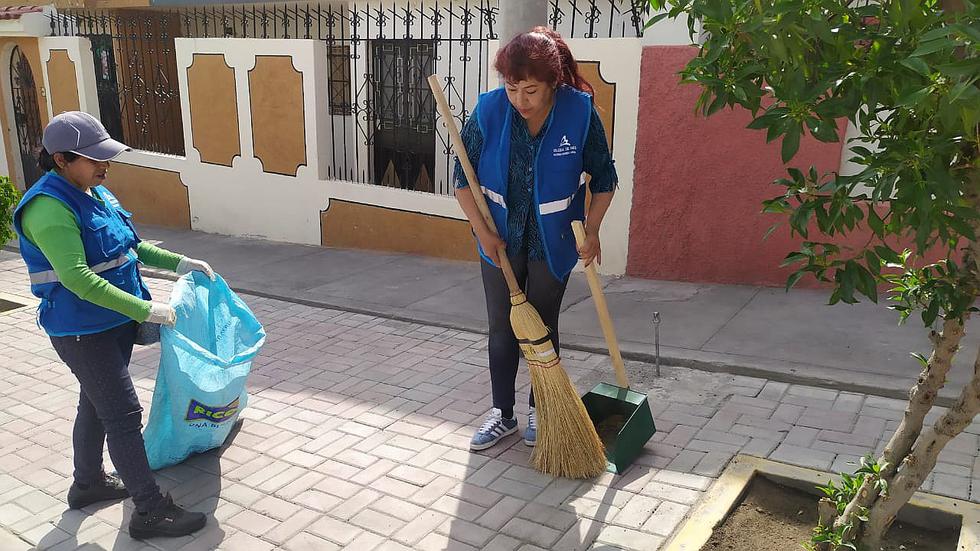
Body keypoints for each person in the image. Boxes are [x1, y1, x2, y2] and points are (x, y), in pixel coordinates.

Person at [12, 111, 213, 539]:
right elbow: (78, 278)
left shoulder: (95, 192)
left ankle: (87, 484)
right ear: (62, 159)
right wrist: (147, 311)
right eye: (93, 159)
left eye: (106, 157)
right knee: (122, 414)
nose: (104, 166)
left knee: (95, 404)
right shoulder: (49, 208)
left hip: (112, 323)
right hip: (82, 330)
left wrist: (180, 264)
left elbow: (131, 247)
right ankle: (150, 510)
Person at [454, 27, 618, 451]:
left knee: (543, 326)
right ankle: (502, 414)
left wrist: (594, 229)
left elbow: (604, 179)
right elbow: (462, 181)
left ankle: (540, 410)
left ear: (553, 82)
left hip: (555, 239)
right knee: (501, 327)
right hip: (500, 240)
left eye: (531, 90)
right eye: (513, 89)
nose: (520, 101)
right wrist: (482, 230)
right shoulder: (489, 110)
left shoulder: (579, 112)